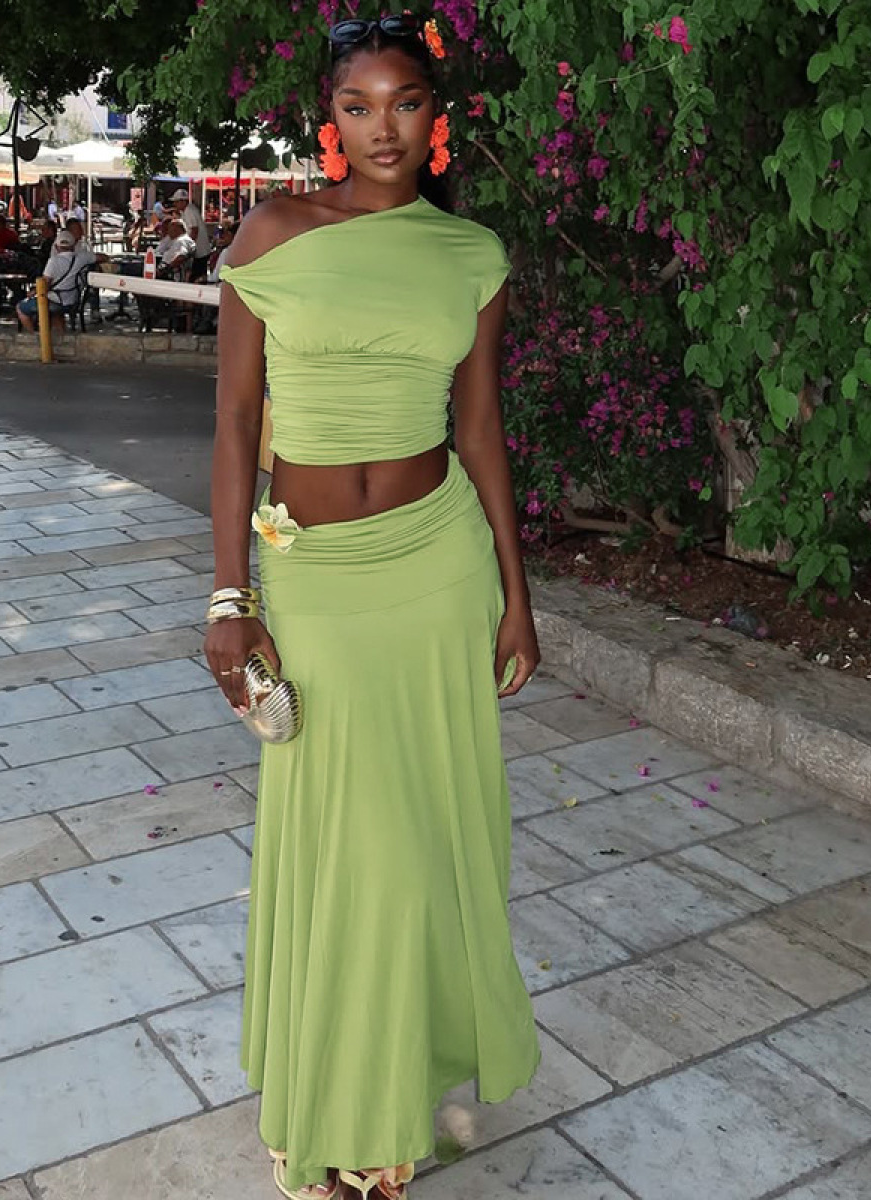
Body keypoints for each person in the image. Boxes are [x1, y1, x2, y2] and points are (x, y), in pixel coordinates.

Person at [208, 15, 540, 1200]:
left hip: (436, 566)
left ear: (435, 117)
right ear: (329, 120)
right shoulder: (272, 232)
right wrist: (230, 597)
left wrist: (516, 594)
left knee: (416, 842)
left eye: (405, 102)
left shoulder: (471, 255)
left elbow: (481, 430)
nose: (382, 127)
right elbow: (233, 427)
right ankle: (338, 1090)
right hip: (313, 581)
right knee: (351, 845)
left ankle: (380, 1115)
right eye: (359, 105)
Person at [16, 230, 89, 331]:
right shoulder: (83, 259)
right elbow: (101, 257)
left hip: (55, 301)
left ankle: (35, 335)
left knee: (20, 307)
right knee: (56, 314)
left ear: (56, 246)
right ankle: (61, 336)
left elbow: (44, 284)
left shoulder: (53, 261)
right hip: (73, 301)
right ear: (74, 246)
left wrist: (33, 292)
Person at [172, 186, 212, 280]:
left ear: (183, 201)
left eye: (176, 202)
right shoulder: (187, 211)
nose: (175, 204)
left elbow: (194, 230)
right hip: (199, 251)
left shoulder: (189, 211)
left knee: (196, 277)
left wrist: (188, 247)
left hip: (200, 251)